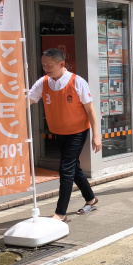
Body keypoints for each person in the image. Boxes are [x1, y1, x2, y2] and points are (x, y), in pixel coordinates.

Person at [29, 48, 102, 220]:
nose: (46, 68)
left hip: (77, 132)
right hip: (58, 132)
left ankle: (60, 213)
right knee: (73, 167)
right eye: (43, 65)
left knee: (66, 169)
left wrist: (96, 135)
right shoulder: (44, 82)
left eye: (49, 65)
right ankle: (91, 199)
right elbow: (29, 100)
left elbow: (91, 111)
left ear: (61, 64)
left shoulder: (77, 82)